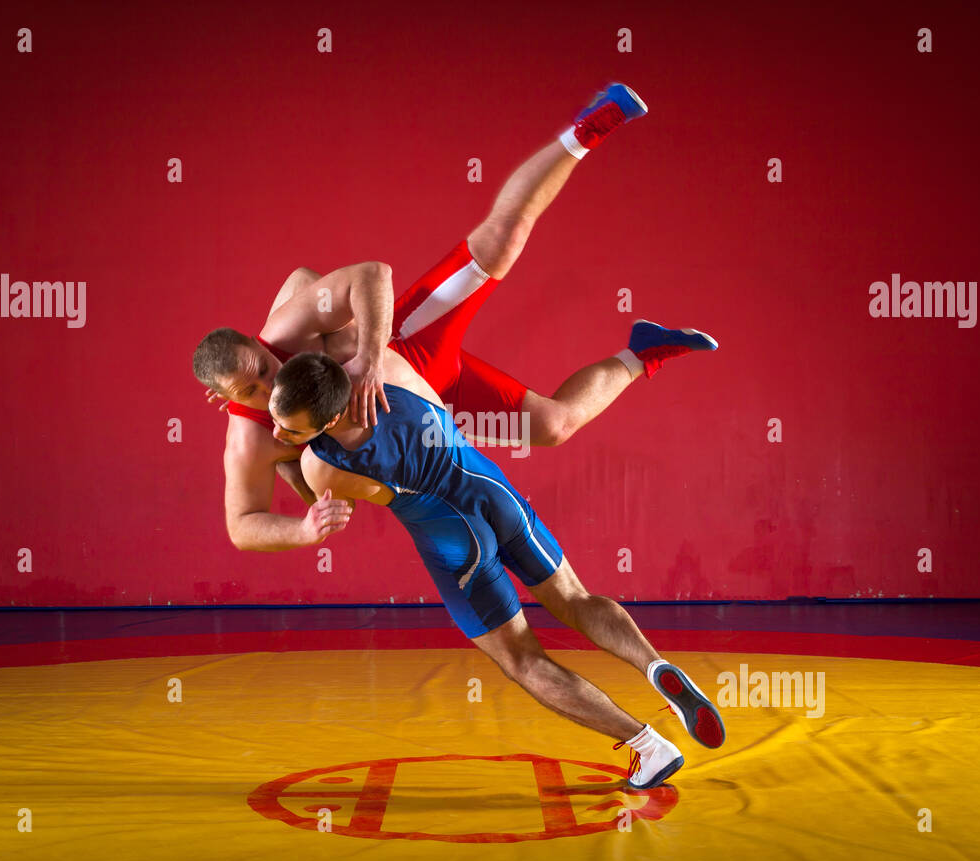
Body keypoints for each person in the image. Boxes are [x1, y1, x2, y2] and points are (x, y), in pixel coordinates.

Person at [191, 83, 718, 553]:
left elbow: (343, 275)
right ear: (223, 399)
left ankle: (587, 130)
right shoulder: (251, 438)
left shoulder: (283, 328)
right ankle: (642, 352)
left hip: (410, 345)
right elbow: (242, 526)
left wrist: (370, 358)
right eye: (251, 389)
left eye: (262, 364)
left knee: (502, 240)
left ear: (256, 341)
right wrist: (304, 526)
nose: (269, 379)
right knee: (557, 426)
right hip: (433, 409)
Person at [268, 351, 727, 789]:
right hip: (494, 494)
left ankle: (651, 748)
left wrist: (294, 474)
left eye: (289, 429)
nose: (277, 434)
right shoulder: (390, 366)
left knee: (523, 660)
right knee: (575, 598)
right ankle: (655, 667)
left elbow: (335, 509)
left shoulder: (320, 464)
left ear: (329, 422)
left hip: (453, 539)